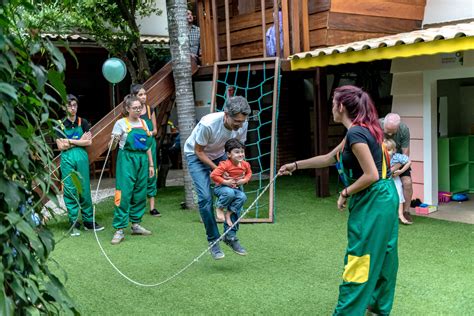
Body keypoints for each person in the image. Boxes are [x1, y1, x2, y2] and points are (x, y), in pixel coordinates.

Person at [279, 85, 399, 315]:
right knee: (385, 253)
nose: (331, 107)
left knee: (360, 255)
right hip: (385, 196)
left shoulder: (356, 133)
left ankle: (348, 311)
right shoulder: (364, 129)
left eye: (332, 102)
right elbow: (328, 158)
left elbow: (370, 175)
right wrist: (295, 165)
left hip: (373, 198)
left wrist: (346, 192)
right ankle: (377, 305)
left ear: (341, 106)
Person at [184, 96, 251, 259]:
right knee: (205, 198)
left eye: (242, 121)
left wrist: (238, 171)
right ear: (226, 114)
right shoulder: (209, 124)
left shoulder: (243, 123)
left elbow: (237, 149)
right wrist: (220, 170)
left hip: (221, 153)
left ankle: (230, 235)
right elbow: (199, 151)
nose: (239, 125)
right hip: (196, 155)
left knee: (237, 192)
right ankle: (213, 241)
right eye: (236, 121)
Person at [56, 94, 104, 236]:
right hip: (67, 159)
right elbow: (60, 146)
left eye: (75, 105)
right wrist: (78, 141)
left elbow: (88, 142)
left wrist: (69, 141)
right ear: (64, 107)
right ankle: (74, 223)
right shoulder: (59, 124)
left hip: (82, 158)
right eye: (69, 105)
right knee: (70, 189)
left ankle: (89, 222)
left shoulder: (83, 122)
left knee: (84, 189)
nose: (72, 108)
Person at [110, 95, 155, 245]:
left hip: (142, 159)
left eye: (140, 108)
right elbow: (112, 147)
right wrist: (114, 140)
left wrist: (150, 165)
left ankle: (136, 224)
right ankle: (119, 229)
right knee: (124, 192)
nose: (138, 110)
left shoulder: (144, 123)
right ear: (127, 109)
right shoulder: (120, 124)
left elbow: (147, 145)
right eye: (135, 108)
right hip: (127, 160)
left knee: (140, 192)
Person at [131, 84, 161, 217]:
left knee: (151, 173)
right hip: (135, 147)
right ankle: (137, 205)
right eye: (140, 95)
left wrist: (146, 133)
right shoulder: (132, 111)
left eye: (145, 94)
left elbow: (155, 130)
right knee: (137, 174)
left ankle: (152, 207)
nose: (144, 97)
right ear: (134, 97)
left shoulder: (150, 110)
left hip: (149, 144)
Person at [380, 113, 414, 223]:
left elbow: (405, 155)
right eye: (387, 130)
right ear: (383, 124)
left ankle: (406, 211)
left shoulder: (403, 130)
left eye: (392, 131)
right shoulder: (375, 126)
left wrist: (395, 170)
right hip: (380, 161)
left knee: (407, 182)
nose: (389, 134)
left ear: (398, 127)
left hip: (398, 161)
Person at [210, 138, 252, 227]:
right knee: (230, 193)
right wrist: (226, 182)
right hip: (221, 188)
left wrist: (244, 180)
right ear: (229, 154)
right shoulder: (225, 164)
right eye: (237, 152)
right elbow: (213, 175)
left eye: (242, 152)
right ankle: (219, 208)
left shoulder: (245, 164)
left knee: (242, 197)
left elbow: (249, 173)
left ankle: (228, 214)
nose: (240, 154)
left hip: (234, 188)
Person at [384, 138, 413, 225]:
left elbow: (409, 162)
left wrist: (401, 171)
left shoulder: (397, 156)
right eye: (385, 150)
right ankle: (386, 216)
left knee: (399, 194)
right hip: (384, 180)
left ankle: (400, 215)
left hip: (394, 178)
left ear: (394, 150)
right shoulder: (380, 157)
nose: (387, 152)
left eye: (389, 150)